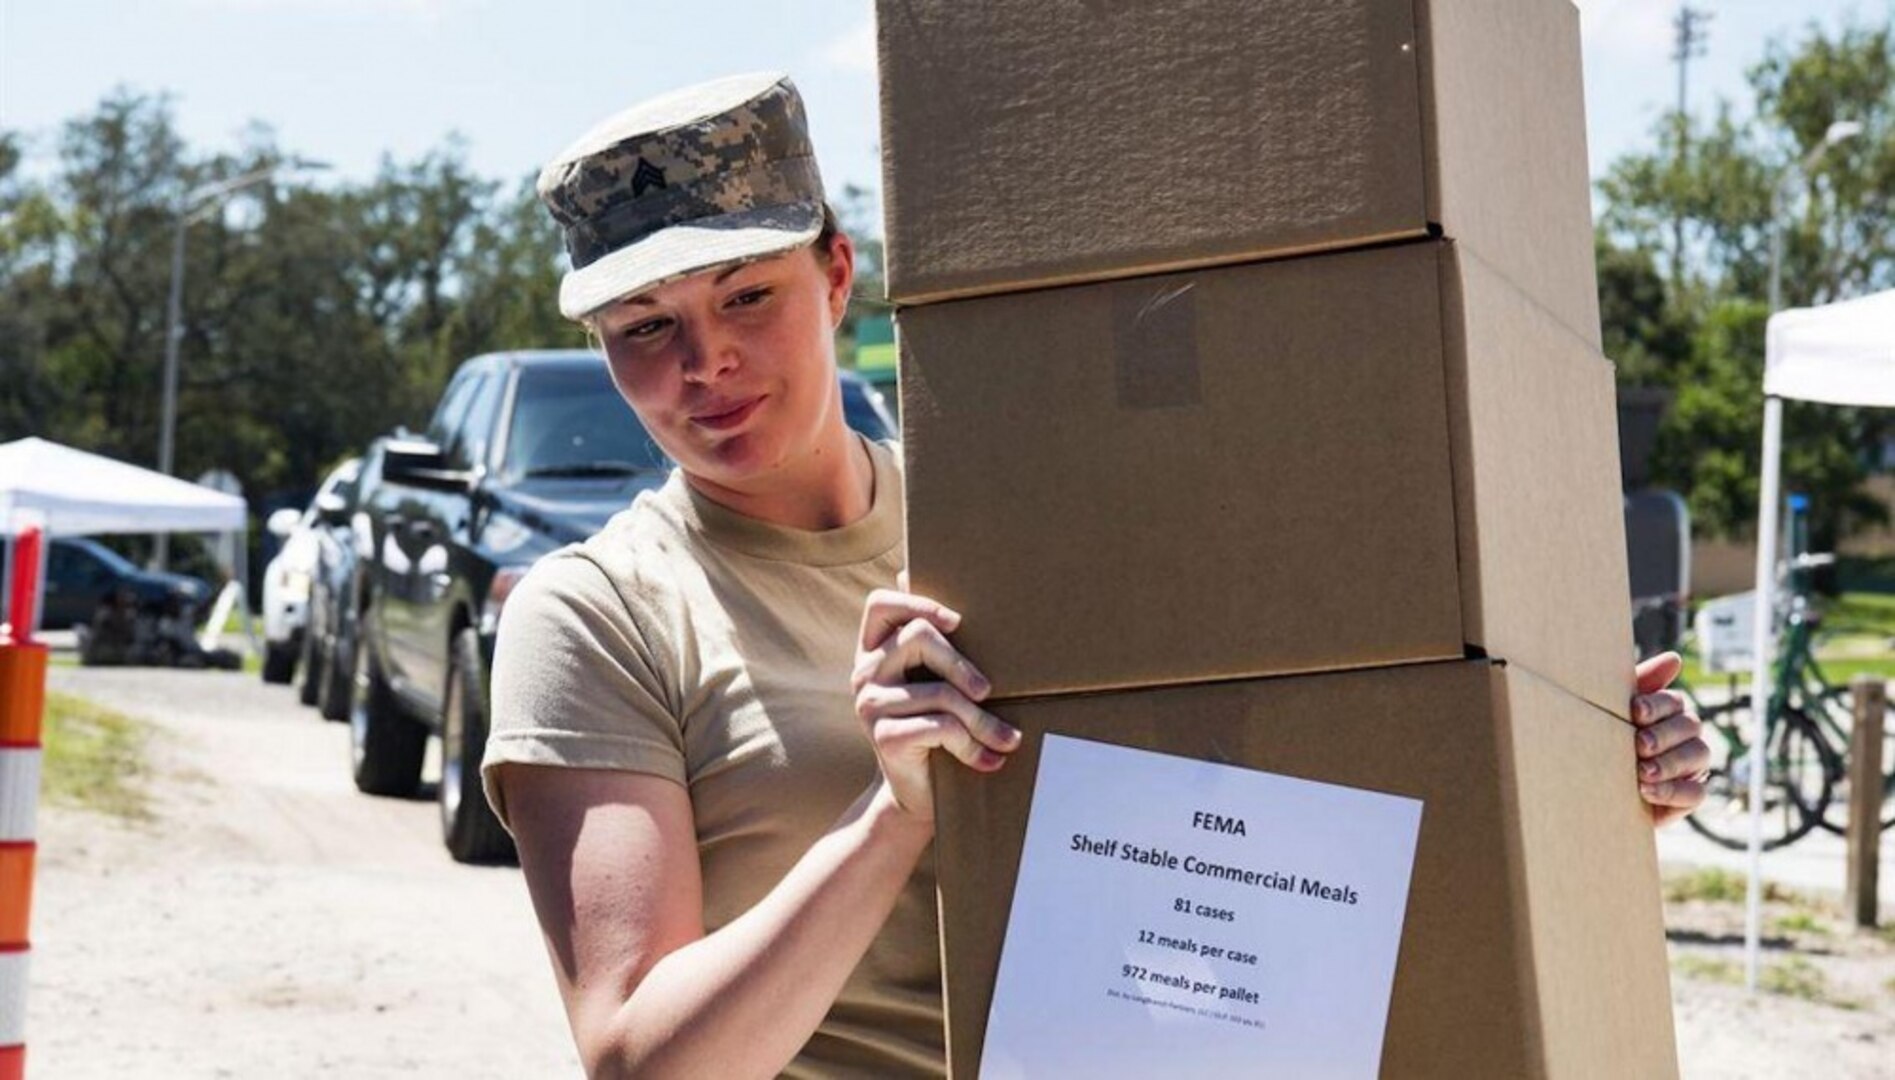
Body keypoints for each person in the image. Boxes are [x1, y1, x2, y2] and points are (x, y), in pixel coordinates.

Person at [481, 72, 1710, 1079]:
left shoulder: (1028, 511)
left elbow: (1293, 745)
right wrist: (892, 817)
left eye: (746, 295)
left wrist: (1576, 768)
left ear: (838, 276)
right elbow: (641, 1059)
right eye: (645, 327)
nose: (706, 361)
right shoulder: (594, 617)